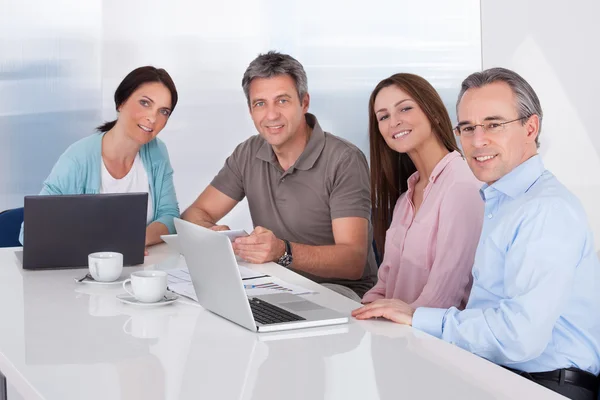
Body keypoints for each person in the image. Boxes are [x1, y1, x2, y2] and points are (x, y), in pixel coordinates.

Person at [352, 67, 600, 400]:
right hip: (499, 373)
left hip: (544, 384)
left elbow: (518, 338)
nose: (477, 140)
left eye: (494, 124)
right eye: (467, 128)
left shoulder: (543, 210)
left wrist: (419, 318)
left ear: (531, 127)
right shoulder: (502, 201)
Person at [181, 51, 377, 301]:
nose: (271, 115)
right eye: (260, 103)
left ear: (304, 103)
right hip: (274, 282)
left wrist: (283, 251)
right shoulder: (248, 152)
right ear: (251, 111)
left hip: (339, 293)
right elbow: (194, 214)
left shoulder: (344, 160)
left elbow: (353, 261)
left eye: (282, 101)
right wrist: (214, 234)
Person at [19, 66, 180, 250]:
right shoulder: (78, 159)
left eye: (163, 111)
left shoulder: (157, 152)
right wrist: (103, 246)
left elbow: (169, 215)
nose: (153, 117)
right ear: (121, 102)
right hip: (83, 272)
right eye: (145, 103)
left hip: (140, 270)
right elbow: (30, 233)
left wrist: (137, 239)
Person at [362, 73, 483, 309]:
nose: (394, 121)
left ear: (433, 112)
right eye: (383, 116)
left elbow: (443, 297)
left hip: (432, 339)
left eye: (405, 109)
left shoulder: (462, 185)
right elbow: (384, 287)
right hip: (397, 335)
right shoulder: (404, 200)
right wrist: (363, 315)